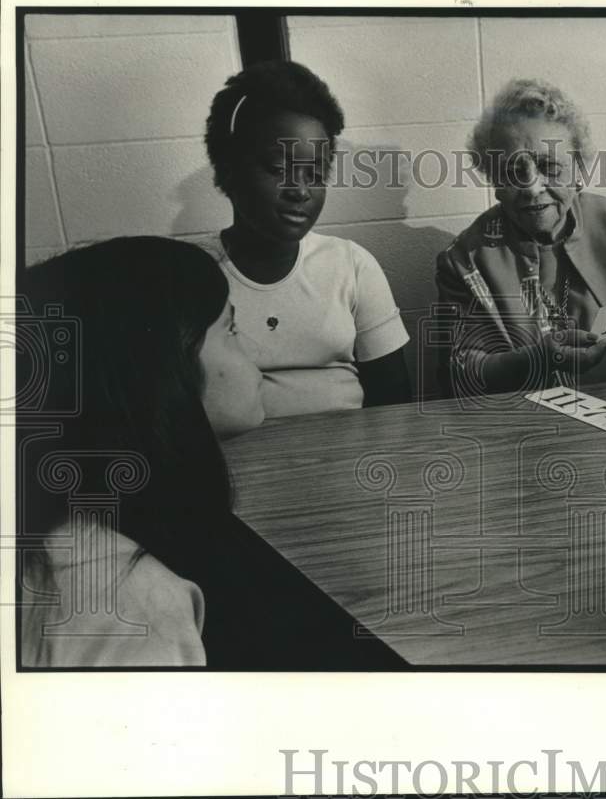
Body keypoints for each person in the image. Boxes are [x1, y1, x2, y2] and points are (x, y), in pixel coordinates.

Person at [18, 237, 406, 669]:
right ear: (166, 369)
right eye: (232, 329)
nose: (254, 352)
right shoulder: (134, 605)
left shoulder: (84, 528)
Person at [435, 78, 606, 398]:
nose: (532, 187)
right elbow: (460, 372)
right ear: (493, 180)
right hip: (526, 430)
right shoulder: (466, 260)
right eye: (511, 171)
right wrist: (534, 361)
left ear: (579, 172)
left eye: (549, 167)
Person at [202, 60, 410, 417]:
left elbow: (394, 406)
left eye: (314, 173)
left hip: (351, 459)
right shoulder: (192, 275)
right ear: (229, 169)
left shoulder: (352, 266)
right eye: (278, 170)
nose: (299, 191)